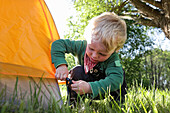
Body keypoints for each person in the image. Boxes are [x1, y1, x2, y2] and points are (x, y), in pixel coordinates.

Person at [51, 12, 127, 105]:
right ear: (87, 39)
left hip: (105, 89)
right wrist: (61, 65)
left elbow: (115, 80)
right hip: (81, 86)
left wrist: (89, 87)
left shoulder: (113, 59)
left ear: (115, 50)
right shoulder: (81, 46)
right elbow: (58, 44)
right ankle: (73, 104)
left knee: (120, 75)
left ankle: (117, 106)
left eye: (102, 54)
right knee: (77, 71)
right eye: (91, 48)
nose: (94, 55)